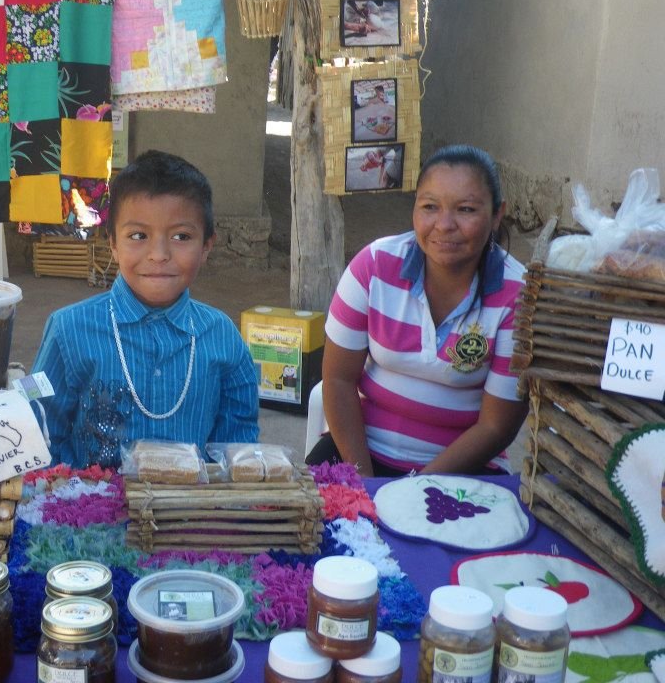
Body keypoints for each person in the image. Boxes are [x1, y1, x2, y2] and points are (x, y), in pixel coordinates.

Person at [306, 144, 527, 476]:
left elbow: (496, 427)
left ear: (497, 215)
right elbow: (337, 380)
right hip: (358, 452)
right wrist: (365, 483)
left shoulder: (518, 296)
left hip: (464, 468)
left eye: (466, 209)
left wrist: (414, 490)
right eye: (430, 206)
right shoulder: (373, 267)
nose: (444, 224)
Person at [32, 150, 260, 468]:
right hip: (92, 512)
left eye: (181, 236)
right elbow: (38, 434)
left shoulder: (222, 337)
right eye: (138, 236)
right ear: (112, 242)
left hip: (192, 514)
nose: (158, 254)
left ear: (207, 244)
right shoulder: (69, 329)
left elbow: (237, 452)